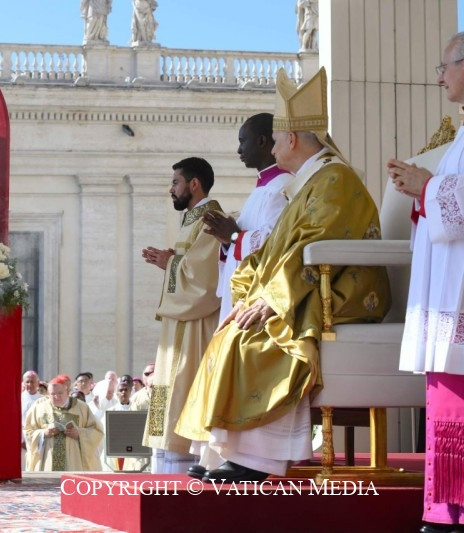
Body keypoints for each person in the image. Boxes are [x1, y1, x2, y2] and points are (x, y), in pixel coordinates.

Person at [175, 67, 391, 482]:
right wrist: (252, 285)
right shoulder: (313, 181)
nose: (271, 150)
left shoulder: (334, 179)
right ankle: (237, 451)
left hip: (338, 292)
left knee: (256, 335)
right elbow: (282, 248)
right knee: (236, 328)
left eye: (274, 140)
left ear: (291, 139)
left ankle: (260, 459)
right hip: (310, 285)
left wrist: (271, 298)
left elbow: (316, 243)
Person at [388, 31, 464, 533]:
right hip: (447, 289)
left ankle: (452, 511)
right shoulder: (460, 138)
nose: (439, 78)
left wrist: (428, 186)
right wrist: (423, 193)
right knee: (445, 394)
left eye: (445, 67)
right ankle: (445, 509)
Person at [140, 157, 222, 474]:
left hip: (196, 323)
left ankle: (185, 471)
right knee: (167, 387)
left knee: (185, 386)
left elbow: (205, 279)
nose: (170, 189)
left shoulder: (212, 219)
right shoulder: (192, 219)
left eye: (175, 182)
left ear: (194, 184)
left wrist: (170, 263)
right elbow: (190, 265)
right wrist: (172, 260)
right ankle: (165, 469)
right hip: (179, 321)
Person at [203, 113, 291, 324]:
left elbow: (278, 243)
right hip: (241, 288)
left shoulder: (283, 186)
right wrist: (227, 241)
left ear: (261, 141)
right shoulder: (264, 187)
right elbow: (242, 238)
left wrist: (234, 236)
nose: (239, 150)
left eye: (243, 141)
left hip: (258, 297)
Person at [24, 376, 103, 471]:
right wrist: (43, 434)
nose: (56, 397)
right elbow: (28, 431)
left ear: (68, 392)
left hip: (74, 463)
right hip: (47, 463)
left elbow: (96, 431)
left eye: (60, 393)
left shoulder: (82, 407)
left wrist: (79, 434)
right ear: (48, 394)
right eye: (53, 394)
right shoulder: (39, 407)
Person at [20, 370, 42, 470]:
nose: (29, 385)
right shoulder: (18, 398)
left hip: (38, 439)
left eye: (32, 382)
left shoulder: (43, 400)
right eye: (27, 382)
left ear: (38, 383)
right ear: (23, 383)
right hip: (21, 440)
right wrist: (22, 440)